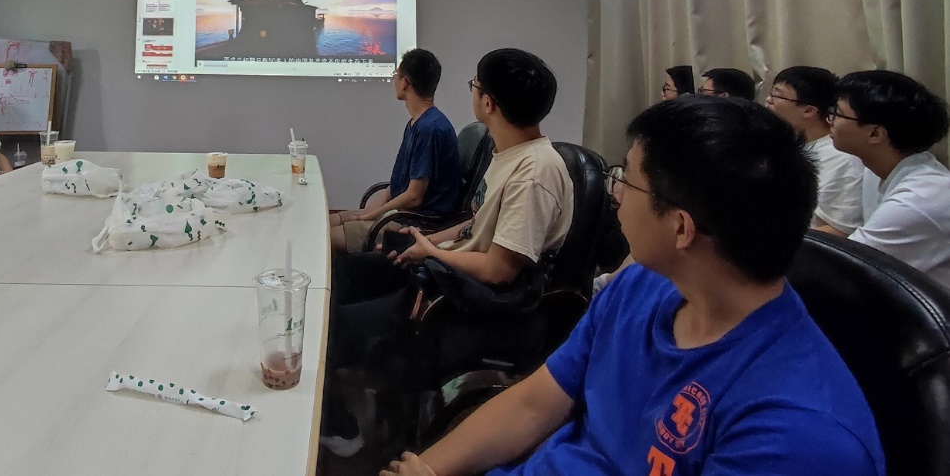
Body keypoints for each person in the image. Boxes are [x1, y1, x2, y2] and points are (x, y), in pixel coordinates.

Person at [381, 97, 883, 476]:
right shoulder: (642, 283)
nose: (616, 194)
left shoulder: (797, 432)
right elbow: (534, 403)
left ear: (682, 228)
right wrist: (430, 470)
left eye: (627, 179)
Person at [323, 49, 573, 457]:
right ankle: (350, 391)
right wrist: (427, 242)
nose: (472, 93)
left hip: (465, 297)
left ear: (488, 103)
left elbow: (498, 269)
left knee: (336, 324)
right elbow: (475, 226)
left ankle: (346, 429)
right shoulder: (509, 154)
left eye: (475, 85)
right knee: (342, 276)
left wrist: (432, 253)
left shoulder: (534, 174)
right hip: (447, 268)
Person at [330, 49, 461, 253]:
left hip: (415, 223)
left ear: (405, 83)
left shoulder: (429, 129)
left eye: (396, 75)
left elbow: (414, 196)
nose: (394, 81)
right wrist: (368, 211)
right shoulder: (418, 123)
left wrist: (373, 215)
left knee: (323, 238)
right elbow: (399, 184)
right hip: (401, 214)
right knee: (327, 221)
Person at [831, 69, 950, 290]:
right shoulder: (874, 168)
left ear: (875, 134)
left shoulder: (918, 200)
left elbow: (841, 268)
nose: (830, 120)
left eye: (837, 114)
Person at [766, 66, 865, 235]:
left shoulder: (842, 158)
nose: (768, 100)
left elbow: (840, 230)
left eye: (776, 95)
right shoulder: (787, 144)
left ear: (809, 110)